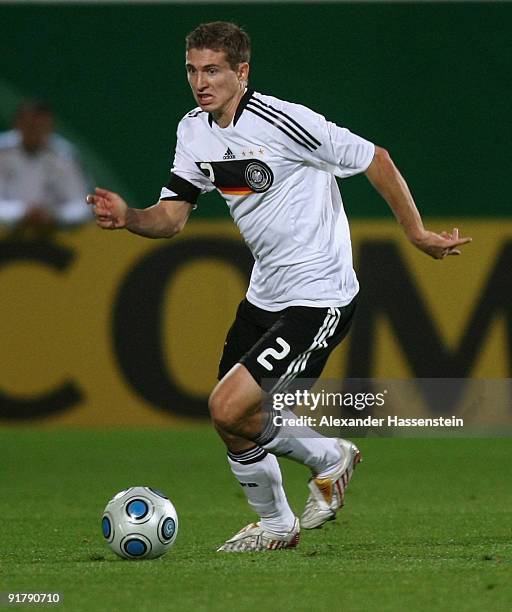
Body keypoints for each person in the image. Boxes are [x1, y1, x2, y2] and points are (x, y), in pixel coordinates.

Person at [87, 22, 471, 552]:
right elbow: (172, 218)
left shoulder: (283, 120)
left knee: (228, 408)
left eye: (214, 70)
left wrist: (416, 232)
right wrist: (129, 216)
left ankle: (325, 460)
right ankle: (280, 522)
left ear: (241, 73)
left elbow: (374, 158)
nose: (201, 82)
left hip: (319, 296)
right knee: (234, 423)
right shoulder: (194, 130)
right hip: (265, 294)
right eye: (193, 70)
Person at [0, 99, 91, 240]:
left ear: (50, 127)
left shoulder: (64, 155)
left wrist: (54, 216)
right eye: (30, 126)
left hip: (53, 239)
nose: (35, 132)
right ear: (17, 125)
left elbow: (82, 206)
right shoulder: (2, 151)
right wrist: (22, 213)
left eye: (41, 126)